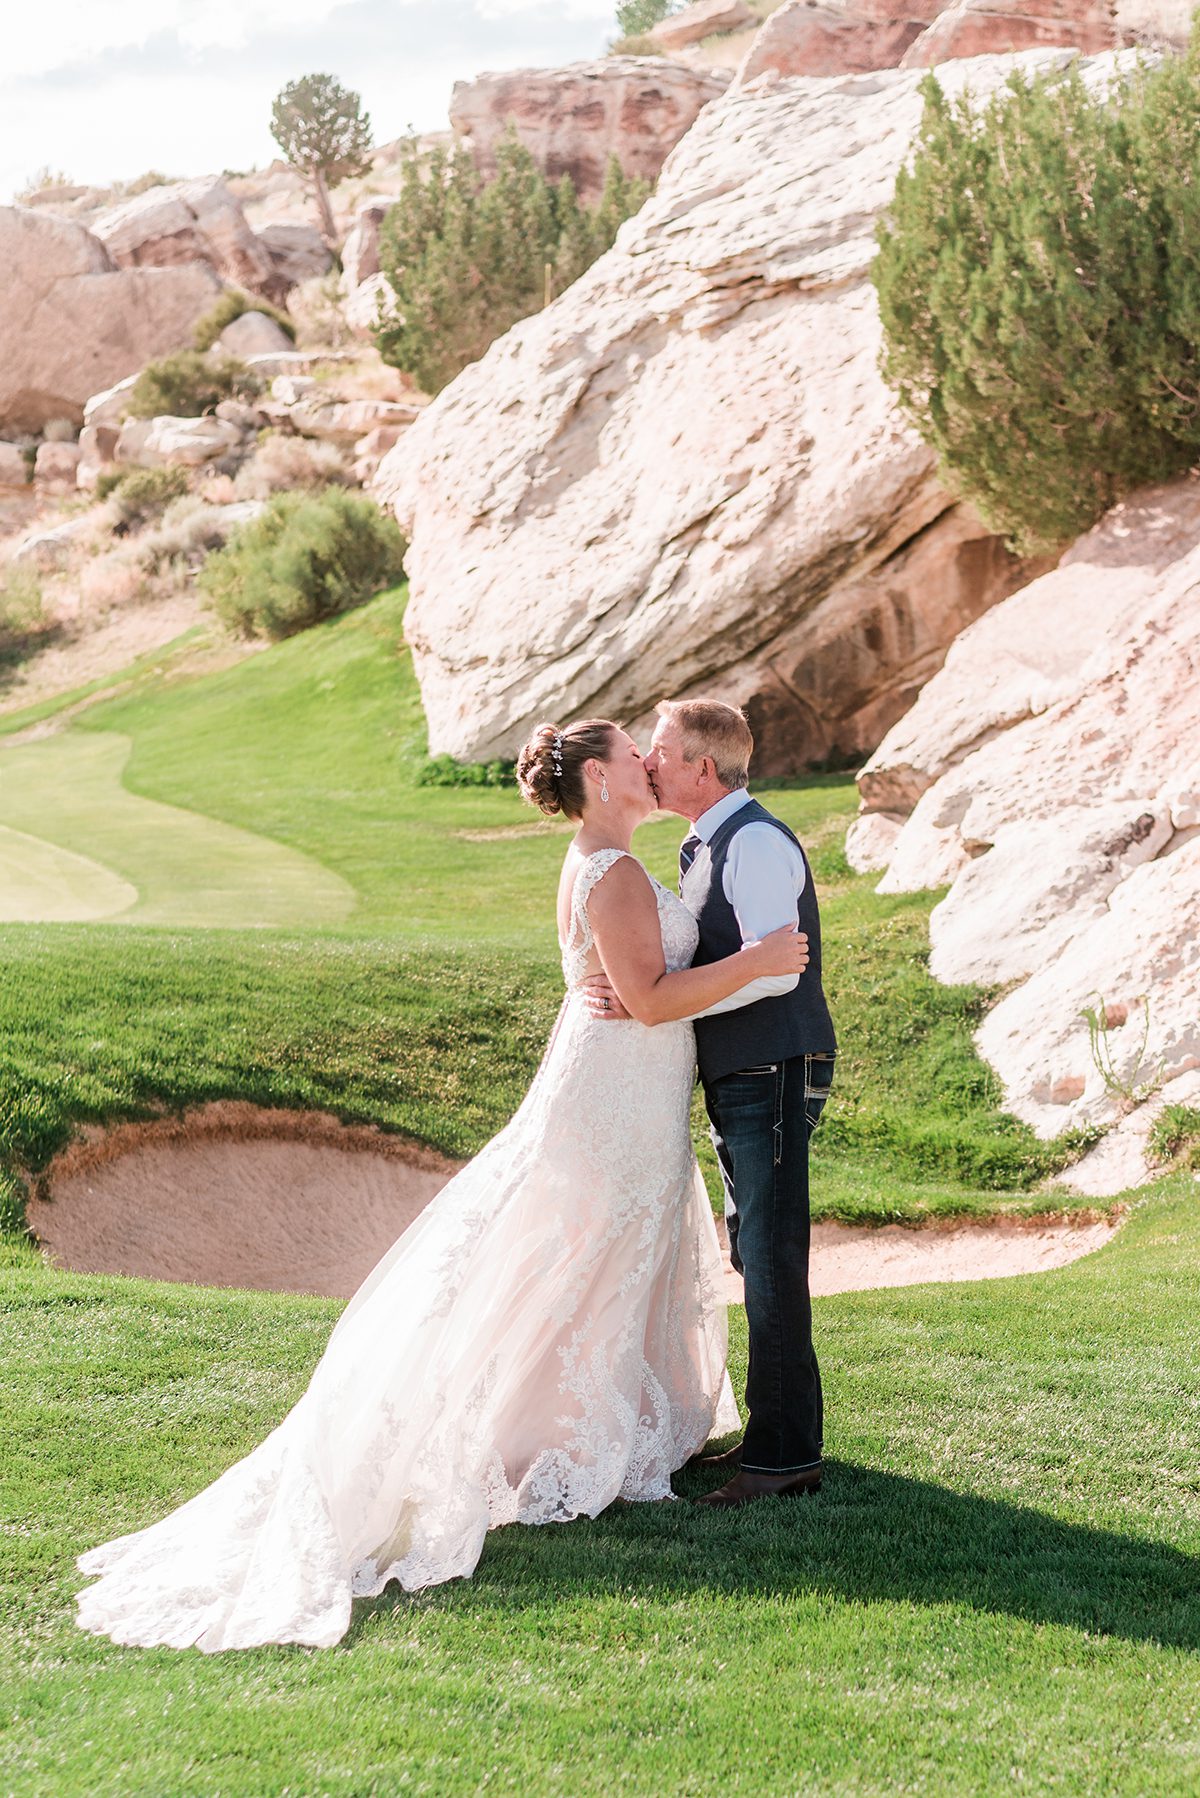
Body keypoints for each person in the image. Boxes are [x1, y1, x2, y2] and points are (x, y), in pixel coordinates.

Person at [73, 718, 808, 1652]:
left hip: (629, 1079)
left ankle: (569, 1431)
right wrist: (755, 964)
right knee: (580, 1248)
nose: (647, 764)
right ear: (595, 778)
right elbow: (652, 997)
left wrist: (670, 977)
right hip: (614, 1092)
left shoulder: (607, 861)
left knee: (600, 1253)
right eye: (632, 754)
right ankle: (538, 1443)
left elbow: (630, 981)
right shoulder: (612, 869)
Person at [585, 699, 836, 1508]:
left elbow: (776, 970)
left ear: (701, 767)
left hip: (770, 1065)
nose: (649, 765)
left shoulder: (755, 842)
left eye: (659, 752)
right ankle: (777, 1436)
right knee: (753, 1249)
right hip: (744, 1069)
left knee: (767, 1253)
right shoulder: (708, 844)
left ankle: (783, 1456)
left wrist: (659, 1002)